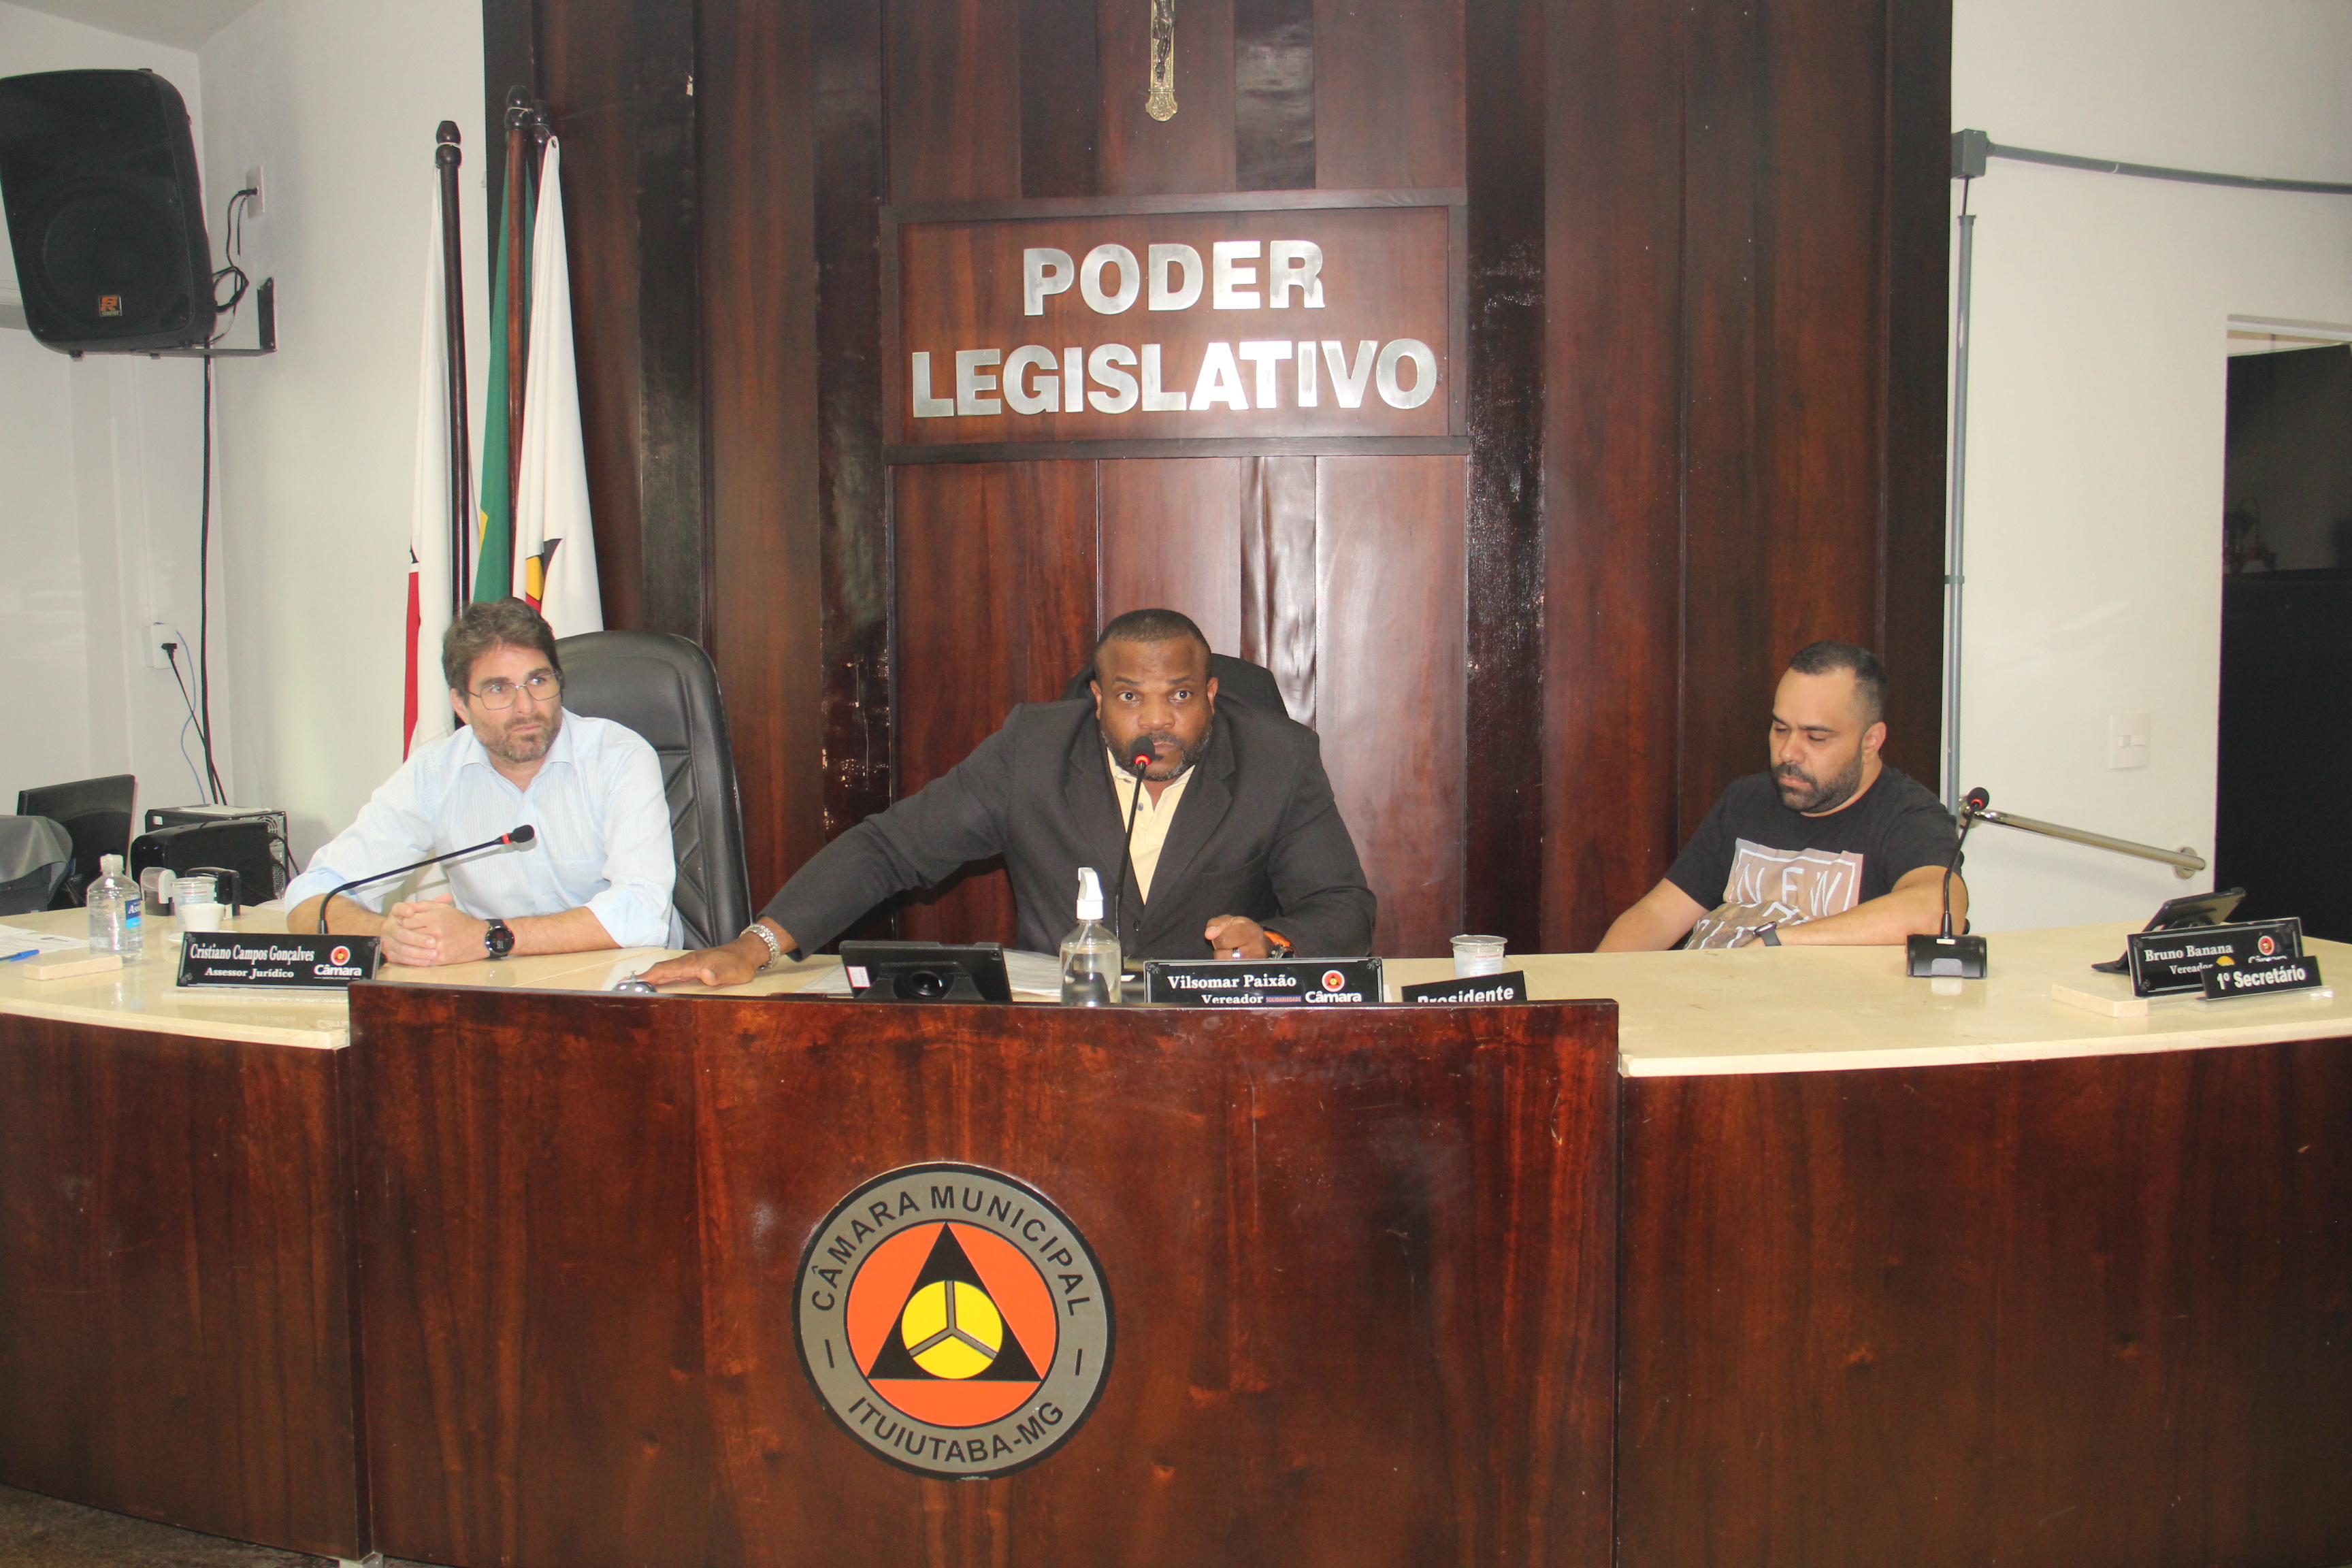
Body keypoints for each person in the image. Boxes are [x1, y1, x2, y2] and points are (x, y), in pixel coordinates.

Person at [642, 608, 1375, 985]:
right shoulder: (1034, 750)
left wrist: (1271, 941)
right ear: (1097, 701)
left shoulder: (1278, 758)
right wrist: (756, 945)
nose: (1157, 721)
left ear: (1212, 695)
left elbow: (1342, 904)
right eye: (1130, 697)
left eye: (1180, 695)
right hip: (1062, 1034)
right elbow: (890, 848)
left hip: (1214, 1034)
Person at [282, 598, 679, 965]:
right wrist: (388, 935)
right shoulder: (435, 772)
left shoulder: (619, 757)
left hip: (621, 983)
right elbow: (315, 889)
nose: (526, 707)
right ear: (461, 704)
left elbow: (644, 910)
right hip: (496, 987)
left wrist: (490, 937)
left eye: (539, 681)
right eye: (498, 689)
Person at [1597, 640, 1963, 951]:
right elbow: (1659, 916)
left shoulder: (1906, 814)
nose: (1788, 753)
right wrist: (1588, 994)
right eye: (1780, 729)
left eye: (1815, 737)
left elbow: (1939, 911)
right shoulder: (1747, 801)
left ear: (1870, 741)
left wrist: (1778, 944)